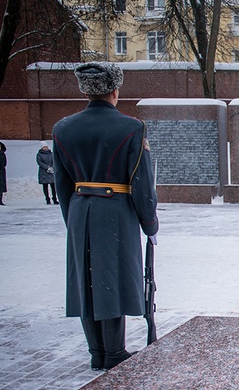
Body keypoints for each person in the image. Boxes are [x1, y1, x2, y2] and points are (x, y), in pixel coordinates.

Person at [52, 62, 159, 371]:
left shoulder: (63, 128)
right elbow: (142, 184)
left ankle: (96, 352)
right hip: (115, 211)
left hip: (79, 209)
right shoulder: (131, 127)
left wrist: (72, 220)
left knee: (86, 280)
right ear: (115, 90)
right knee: (110, 279)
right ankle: (113, 353)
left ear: (86, 91)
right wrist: (149, 223)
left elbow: (62, 185)